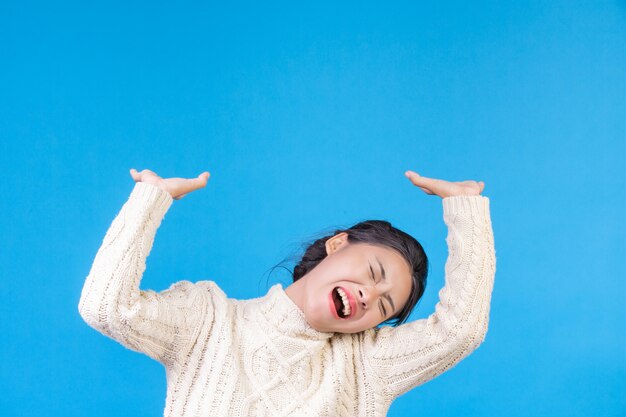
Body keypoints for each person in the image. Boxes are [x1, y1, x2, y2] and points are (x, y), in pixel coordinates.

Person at [78, 168, 496, 417]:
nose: (370, 295)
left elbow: (461, 330)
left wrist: (466, 210)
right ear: (338, 245)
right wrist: (150, 200)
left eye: (385, 305)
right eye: (372, 272)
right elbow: (107, 307)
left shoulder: (366, 365)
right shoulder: (207, 321)